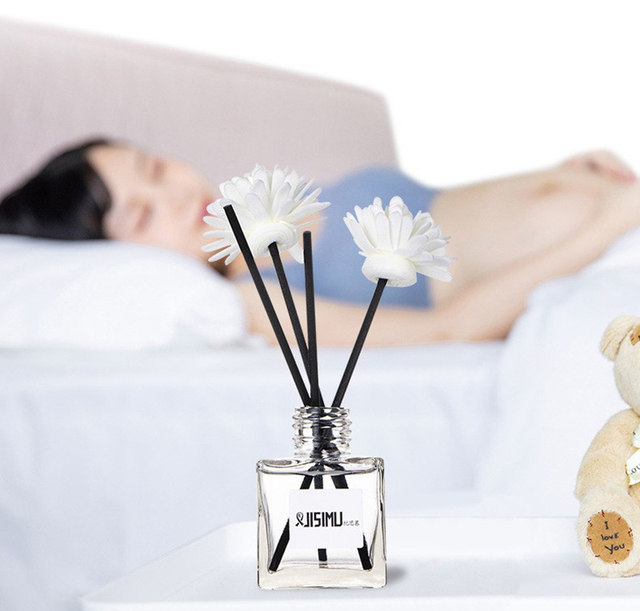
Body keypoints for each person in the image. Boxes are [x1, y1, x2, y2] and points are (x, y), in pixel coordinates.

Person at [1, 139, 639, 347]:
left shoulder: (267, 211)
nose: (174, 194)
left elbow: (449, 211)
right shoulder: (254, 301)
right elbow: (449, 329)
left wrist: (561, 176)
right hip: (605, 252)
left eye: (156, 168)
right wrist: (605, 225)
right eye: (143, 216)